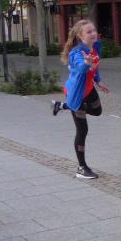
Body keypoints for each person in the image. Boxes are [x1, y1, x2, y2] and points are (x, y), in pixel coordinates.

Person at [51, 20, 110, 179]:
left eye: (94, 30)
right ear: (80, 35)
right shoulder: (76, 53)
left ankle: (62, 106)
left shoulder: (95, 46)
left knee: (97, 111)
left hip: (89, 89)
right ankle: (81, 168)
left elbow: (95, 67)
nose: (93, 33)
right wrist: (86, 62)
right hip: (76, 93)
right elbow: (81, 67)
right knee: (82, 130)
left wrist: (98, 81)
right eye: (89, 32)